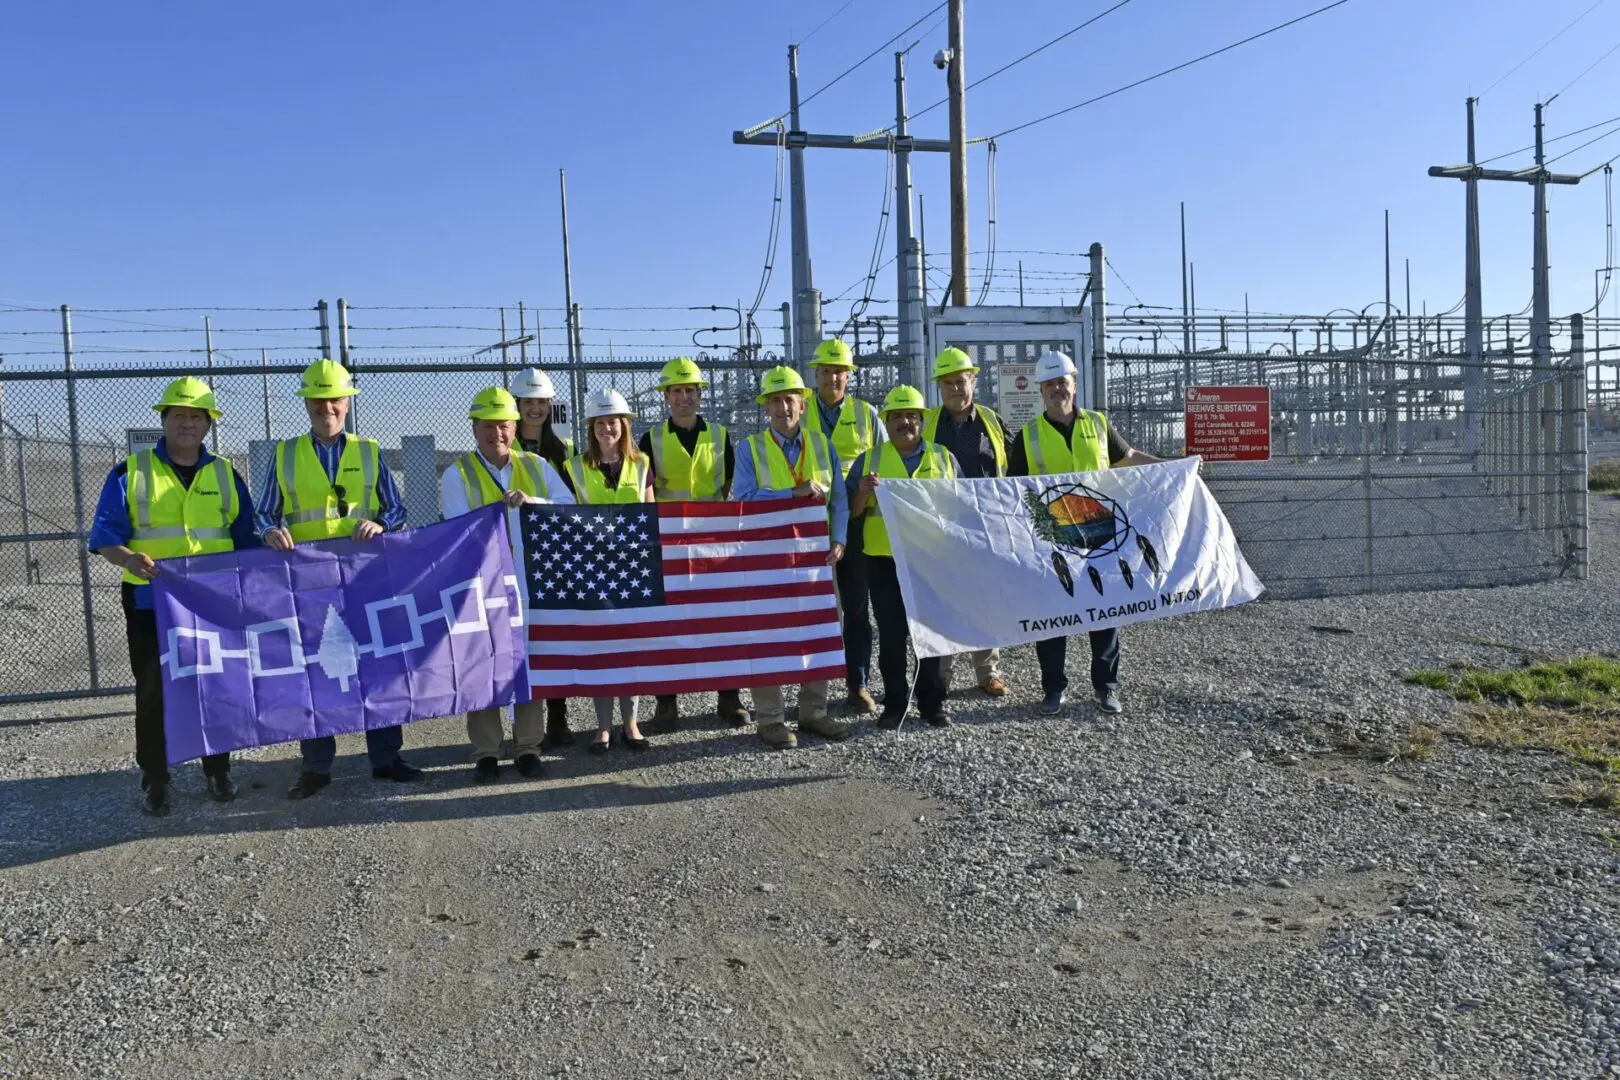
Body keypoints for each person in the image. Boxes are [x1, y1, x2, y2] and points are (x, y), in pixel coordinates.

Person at [88, 378, 261, 816]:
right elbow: (105, 537)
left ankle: (217, 770)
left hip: (212, 603)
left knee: (215, 686)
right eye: (179, 415)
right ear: (163, 420)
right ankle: (156, 778)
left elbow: (247, 540)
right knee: (153, 693)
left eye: (196, 416)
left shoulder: (225, 473)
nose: (187, 423)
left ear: (208, 424)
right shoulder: (130, 472)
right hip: (152, 603)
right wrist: (128, 560)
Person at [256, 358, 422, 799]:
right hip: (307, 579)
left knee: (378, 664)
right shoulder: (285, 454)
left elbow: (396, 509)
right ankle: (316, 766)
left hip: (364, 576)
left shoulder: (369, 451)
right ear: (307, 403)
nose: (326, 406)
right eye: (318, 399)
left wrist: (381, 525)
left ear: (347, 403)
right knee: (314, 669)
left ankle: (385, 757)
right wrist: (270, 531)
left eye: (334, 399)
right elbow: (263, 512)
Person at [1006, 350, 1168, 718]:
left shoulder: (1097, 424)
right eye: (1049, 384)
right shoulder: (1027, 436)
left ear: (1073, 385)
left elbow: (1127, 459)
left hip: (1099, 534)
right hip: (1053, 539)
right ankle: (1053, 689)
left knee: (1104, 610)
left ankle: (1106, 687)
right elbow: (1014, 490)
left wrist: (1173, 466)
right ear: (1040, 390)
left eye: (1062, 381)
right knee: (1052, 613)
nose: (1056, 389)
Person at [441, 387, 574, 782]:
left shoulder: (536, 466)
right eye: (487, 426)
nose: (495, 433)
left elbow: (566, 506)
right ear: (475, 428)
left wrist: (533, 501)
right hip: (480, 585)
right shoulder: (457, 473)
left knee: (523, 662)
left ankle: (528, 746)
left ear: (515, 427)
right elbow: (458, 528)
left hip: (529, 580)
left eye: (503, 426)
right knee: (481, 664)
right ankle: (485, 750)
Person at [733, 365, 851, 750]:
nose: (784, 407)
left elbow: (839, 500)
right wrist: (791, 494)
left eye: (790, 400)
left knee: (818, 630)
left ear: (802, 404)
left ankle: (814, 712)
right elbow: (744, 500)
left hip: (815, 556)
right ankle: (770, 718)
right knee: (768, 633)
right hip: (767, 558)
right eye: (776, 401)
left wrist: (840, 538)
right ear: (765, 407)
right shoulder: (749, 449)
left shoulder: (822, 444)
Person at [636, 356, 749, 733]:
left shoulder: (720, 435)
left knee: (722, 621)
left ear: (701, 394)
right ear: (666, 396)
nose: (684, 398)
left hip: (713, 542)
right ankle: (666, 702)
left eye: (691, 390)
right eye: (677, 391)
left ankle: (729, 697)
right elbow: (644, 491)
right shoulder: (649, 439)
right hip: (668, 544)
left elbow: (731, 487)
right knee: (667, 624)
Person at [847, 385, 959, 730]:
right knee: (893, 634)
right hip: (884, 560)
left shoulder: (943, 458)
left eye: (912, 416)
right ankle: (895, 702)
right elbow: (852, 513)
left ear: (922, 421)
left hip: (930, 560)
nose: (905, 422)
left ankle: (932, 702)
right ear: (887, 421)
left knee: (933, 632)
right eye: (897, 417)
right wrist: (863, 493)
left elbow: (961, 508)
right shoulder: (868, 460)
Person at [564, 388, 655, 754]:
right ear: (591, 427)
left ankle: (631, 723)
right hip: (594, 570)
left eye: (613, 422)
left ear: (624, 425)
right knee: (601, 647)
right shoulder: (575, 467)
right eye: (600, 423)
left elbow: (651, 514)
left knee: (629, 647)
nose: (607, 429)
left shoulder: (642, 463)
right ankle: (603, 727)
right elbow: (567, 518)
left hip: (632, 569)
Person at [923, 346, 1014, 700]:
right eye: (948, 384)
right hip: (942, 527)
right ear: (939, 388)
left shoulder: (992, 422)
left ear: (973, 382)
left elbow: (1013, 470)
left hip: (985, 526)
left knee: (984, 599)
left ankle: (988, 672)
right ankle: (940, 675)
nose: (956, 389)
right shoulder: (928, 424)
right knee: (942, 600)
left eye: (961, 381)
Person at [802, 338, 883, 715]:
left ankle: (858, 683)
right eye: (827, 371)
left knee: (855, 609)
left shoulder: (867, 414)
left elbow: (886, 459)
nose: (833, 377)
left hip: (858, 521)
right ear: (815, 374)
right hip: (807, 525)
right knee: (809, 610)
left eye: (840, 371)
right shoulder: (799, 411)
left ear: (849, 376)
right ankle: (809, 693)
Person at [510, 366, 577, 749]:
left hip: (549, 552)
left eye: (540, 402)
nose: (534, 409)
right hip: (513, 550)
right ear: (516, 404)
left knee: (552, 632)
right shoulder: (507, 447)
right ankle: (521, 722)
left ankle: (558, 716)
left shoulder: (559, 451)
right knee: (522, 637)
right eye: (527, 402)